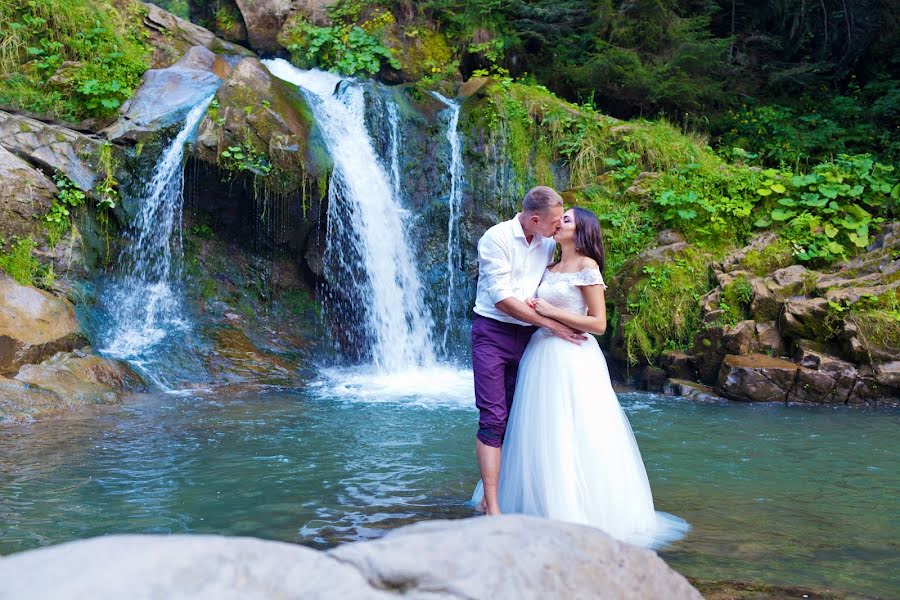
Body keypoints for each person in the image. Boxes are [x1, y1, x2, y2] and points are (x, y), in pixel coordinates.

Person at [472, 206, 688, 548]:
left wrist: (550, 312)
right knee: (537, 430)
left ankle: (575, 508)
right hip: (540, 353)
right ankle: (534, 503)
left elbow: (599, 324)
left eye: (566, 220)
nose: (559, 223)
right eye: (558, 218)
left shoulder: (588, 267)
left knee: (575, 429)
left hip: (573, 357)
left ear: (582, 230)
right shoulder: (548, 264)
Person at [471, 186, 586, 517]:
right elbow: (502, 299)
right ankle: (492, 506)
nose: (557, 228)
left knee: (523, 417)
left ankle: (511, 494)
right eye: (553, 223)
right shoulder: (497, 239)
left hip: (532, 340)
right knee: (493, 417)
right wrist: (550, 324)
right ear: (535, 219)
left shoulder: (550, 242)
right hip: (492, 333)